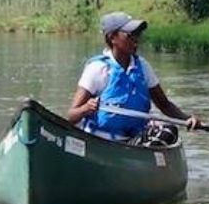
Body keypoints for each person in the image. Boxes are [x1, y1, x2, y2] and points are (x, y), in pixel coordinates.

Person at [67, 12, 200, 145]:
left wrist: (187, 119)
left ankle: (142, 158)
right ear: (112, 37)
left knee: (169, 131)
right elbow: (71, 116)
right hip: (101, 141)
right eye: (130, 35)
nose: (136, 40)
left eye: (137, 35)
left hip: (134, 141)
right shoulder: (98, 69)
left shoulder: (143, 67)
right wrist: (86, 108)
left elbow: (164, 105)